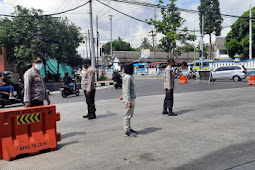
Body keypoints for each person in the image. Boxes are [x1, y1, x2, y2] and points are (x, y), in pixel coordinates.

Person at [120, 63, 137, 137]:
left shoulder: (129, 76)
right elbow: (127, 90)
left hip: (130, 98)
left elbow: (125, 88)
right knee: (127, 115)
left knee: (129, 115)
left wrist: (123, 95)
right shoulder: (128, 77)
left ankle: (129, 128)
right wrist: (129, 101)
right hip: (129, 99)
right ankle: (126, 131)